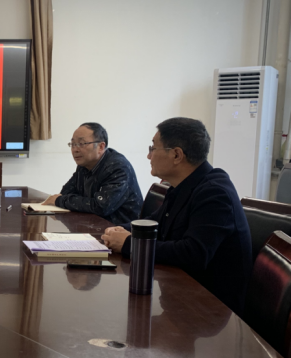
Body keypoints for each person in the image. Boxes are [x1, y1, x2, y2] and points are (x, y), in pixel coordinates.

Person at [101, 117, 252, 315]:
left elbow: (193, 254)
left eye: (153, 148)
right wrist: (119, 230)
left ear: (177, 155)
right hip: (181, 294)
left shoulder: (215, 193)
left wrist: (129, 244)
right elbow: (154, 222)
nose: (148, 156)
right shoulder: (183, 185)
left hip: (207, 310)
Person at [41, 123, 143, 225]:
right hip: (92, 225)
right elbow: (66, 192)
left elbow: (101, 207)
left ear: (101, 147)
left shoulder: (118, 167)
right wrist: (66, 200)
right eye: (73, 144)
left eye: (81, 143)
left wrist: (60, 200)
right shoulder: (84, 164)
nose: (75, 149)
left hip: (120, 229)